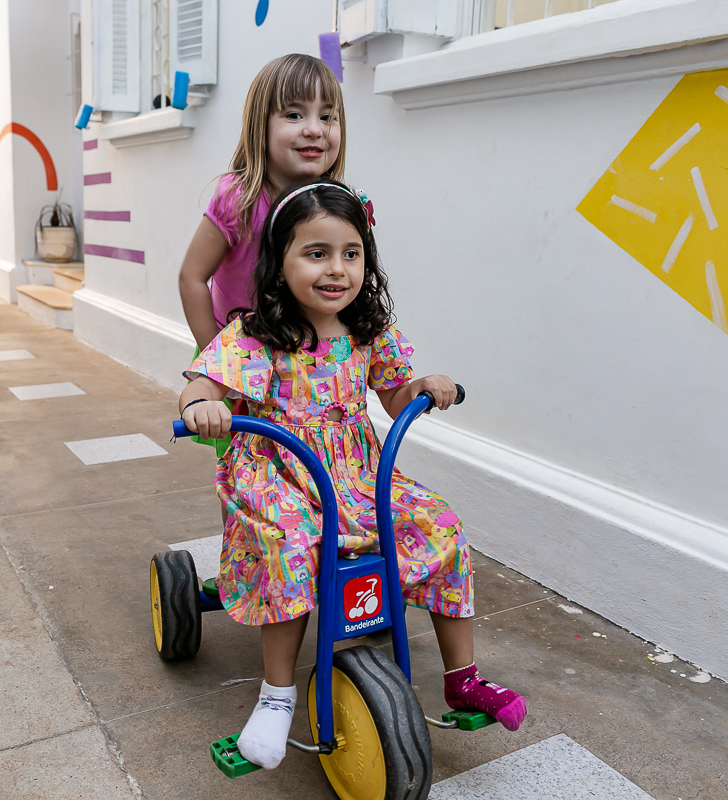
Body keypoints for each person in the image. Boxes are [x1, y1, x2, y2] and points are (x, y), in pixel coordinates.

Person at [178, 180, 527, 771]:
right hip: (277, 473)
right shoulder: (255, 335)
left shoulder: (367, 331)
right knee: (289, 542)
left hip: (356, 477)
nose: (335, 269)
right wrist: (200, 404)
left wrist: (422, 388)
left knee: (439, 525)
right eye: (315, 254)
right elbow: (204, 379)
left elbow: (395, 393)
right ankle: (277, 695)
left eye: (350, 253)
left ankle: (462, 677)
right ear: (279, 262)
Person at [177, 53, 346, 458]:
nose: (314, 130)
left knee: (305, 466)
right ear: (261, 126)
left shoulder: (334, 205)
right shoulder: (240, 198)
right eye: (293, 114)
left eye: (327, 116)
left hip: (303, 363)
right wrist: (216, 360)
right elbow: (192, 277)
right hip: (241, 359)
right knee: (240, 470)